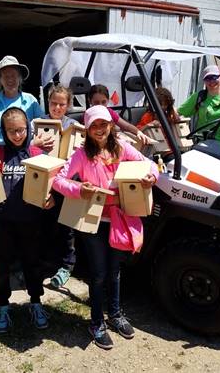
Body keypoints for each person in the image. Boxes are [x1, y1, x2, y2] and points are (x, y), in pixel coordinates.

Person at [52, 105, 159, 350]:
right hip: (94, 221)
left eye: (103, 124)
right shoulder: (81, 155)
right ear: (88, 130)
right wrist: (79, 189)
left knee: (115, 271)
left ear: (110, 126)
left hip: (120, 219)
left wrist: (151, 177)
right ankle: (97, 322)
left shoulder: (121, 147)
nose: (100, 130)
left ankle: (116, 313)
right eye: (94, 126)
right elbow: (58, 180)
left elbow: (149, 164)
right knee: (98, 274)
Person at [0, 107, 53, 333]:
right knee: (1, 266)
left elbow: (55, 181)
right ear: (3, 131)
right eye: (11, 131)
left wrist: (52, 198)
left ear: (28, 128)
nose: (17, 135)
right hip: (1, 220)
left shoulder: (36, 153)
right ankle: (3, 307)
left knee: (33, 263)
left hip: (31, 221)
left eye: (21, 130)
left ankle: (36, 302)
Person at [34, 85, 80, 288]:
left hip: (66, 184)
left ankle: (67, 265)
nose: (57, 107)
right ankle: (44, 263)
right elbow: (27, 151)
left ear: (68, 105)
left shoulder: (74, 126)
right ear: (48, 103)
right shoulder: (37, 124)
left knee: (66, 227)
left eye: (62, 104)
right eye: (54, 103)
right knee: (42, 225)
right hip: (44, 183)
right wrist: (34, 144)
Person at [88, 84, 153, 146]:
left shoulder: (109, 112)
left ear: (108, 101)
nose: (100, 105)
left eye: (103, 102)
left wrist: (138, 132)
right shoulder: (88, 115)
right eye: (96, 102)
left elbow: (126, 126)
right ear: (90, 101)